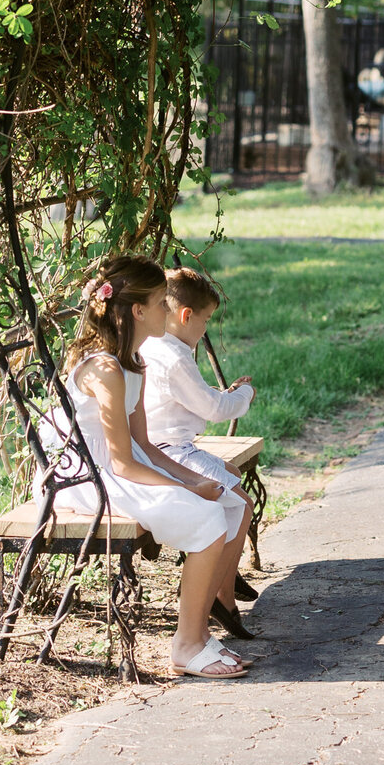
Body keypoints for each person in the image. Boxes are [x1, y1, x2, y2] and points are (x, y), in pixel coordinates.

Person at [59, 255, 251, 679]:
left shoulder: (134, 362)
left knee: (230, 504)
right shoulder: (105, 368)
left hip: (125, 463)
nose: (169, 311)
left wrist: (194, 478)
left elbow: (144, 444)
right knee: (205, 515)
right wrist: (186, 490)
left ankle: (199, 633)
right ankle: (185, 646)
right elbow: (124, 461)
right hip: (86, 474)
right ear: (138, 311)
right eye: (162, 303)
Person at [139, 266, 257, 639]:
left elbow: (192, 401)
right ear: (187, 316)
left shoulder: (156, 346)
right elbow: (215, 411)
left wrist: (218, 396)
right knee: (242, 502)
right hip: (168, 451)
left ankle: (226, 571)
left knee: (233, 477)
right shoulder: (173, 356)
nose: (206, 328)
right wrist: (243, 396)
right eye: (206, 320)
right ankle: (221, 596)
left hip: (166, 445)